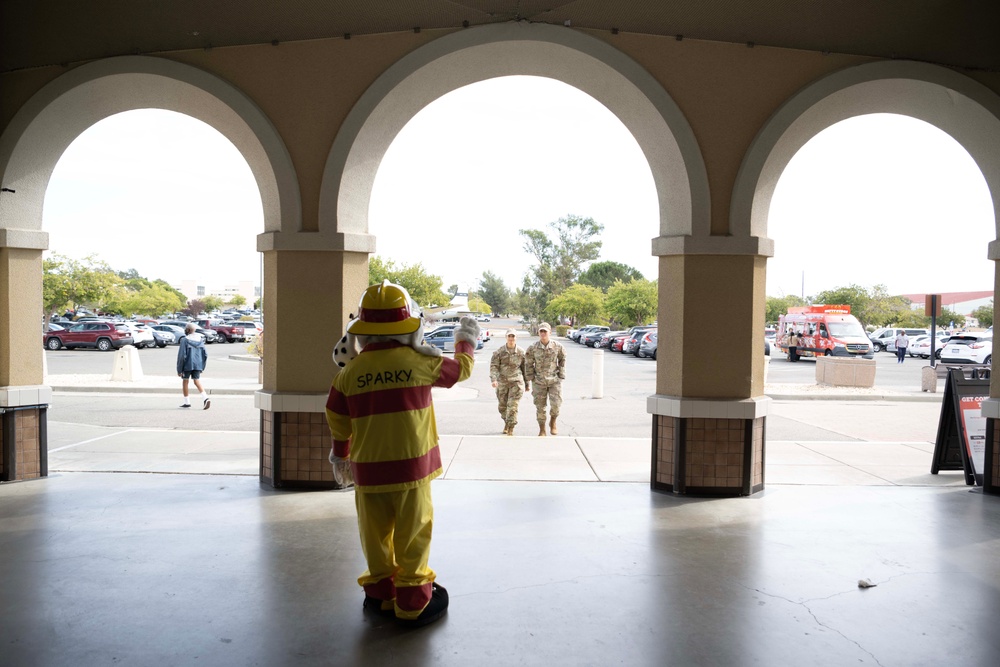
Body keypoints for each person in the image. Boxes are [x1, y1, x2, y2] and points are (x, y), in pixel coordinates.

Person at [325, 280, 479, 628]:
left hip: (367, 472)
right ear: (409, 324)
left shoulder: (348, 375)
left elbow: (336, 419)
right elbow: (461, 371)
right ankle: (411, 602)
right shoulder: (420, 362)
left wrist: (340, 456)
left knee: (374, 534)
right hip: (412, 471)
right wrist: (465, 338)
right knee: (414, 533)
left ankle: (380, 595)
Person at [524, 322, 567, 436]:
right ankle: (542, 428)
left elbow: (562, 359)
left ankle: (553, 422)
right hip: (539, 381)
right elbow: (528, 363)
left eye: (545, 331)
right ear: (538, 333)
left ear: (550, 332)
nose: (543, 333)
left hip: (554, 381)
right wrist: (530, 378)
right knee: (540, 406)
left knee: (556, 404)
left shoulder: (558, 346)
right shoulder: (533, 347)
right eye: (541, 331)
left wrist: (561, 375)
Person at [490, 329, 528, 435]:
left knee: (513, 406)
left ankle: (511, 428)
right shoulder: (499, 352)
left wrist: (527, 383)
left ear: (516, 338)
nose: (511, 339)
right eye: (509, 336)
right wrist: (494, 379)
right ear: (506, 337)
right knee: (502, 406)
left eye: (513, 336)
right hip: (502, 382)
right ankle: (506, 422)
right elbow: (494, 367)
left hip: (516, 382)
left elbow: (525, 369)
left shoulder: (521, 352)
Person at [176, 323, 210, 409]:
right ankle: (205, 397)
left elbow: (181, 356)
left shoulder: (184, 340)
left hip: (188, 364)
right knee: (196, 381)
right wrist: (202, 366)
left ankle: (187, 402)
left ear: (187, 330)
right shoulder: (200, 340)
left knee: (185, 381)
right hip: (198, 364)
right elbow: (205, 355)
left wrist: (179, 370)